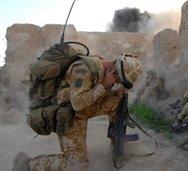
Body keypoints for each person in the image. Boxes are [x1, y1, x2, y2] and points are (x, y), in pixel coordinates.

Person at [12, 54, 143, 171]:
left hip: (81, 108)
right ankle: (28, 164)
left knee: (116, 101)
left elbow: (91, 94)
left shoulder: (104, 68)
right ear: (114, 70)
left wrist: (115, 92)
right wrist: (103, 86)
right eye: (117, 79)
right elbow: (78, 104)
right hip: (68, 113)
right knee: (77, 165)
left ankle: (116, 148)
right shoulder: (82, 70)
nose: (117, 82)